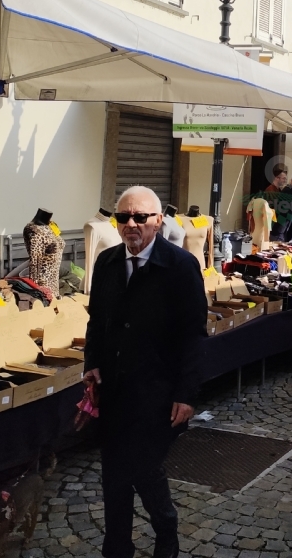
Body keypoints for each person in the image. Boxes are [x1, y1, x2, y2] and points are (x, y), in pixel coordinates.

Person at [85, 186, 208, 558]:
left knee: (144, 467)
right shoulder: (106, 263)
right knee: (114, 474)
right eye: (124, 218)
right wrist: (91, 365)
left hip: (158, 393)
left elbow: (193, 334)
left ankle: (166, 531)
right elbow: (96, 323)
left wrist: (187, 394)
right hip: (115, 390)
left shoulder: (180, 266)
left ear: (158, 221)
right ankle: (116, 547)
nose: (131, 225)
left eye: (140, 217)